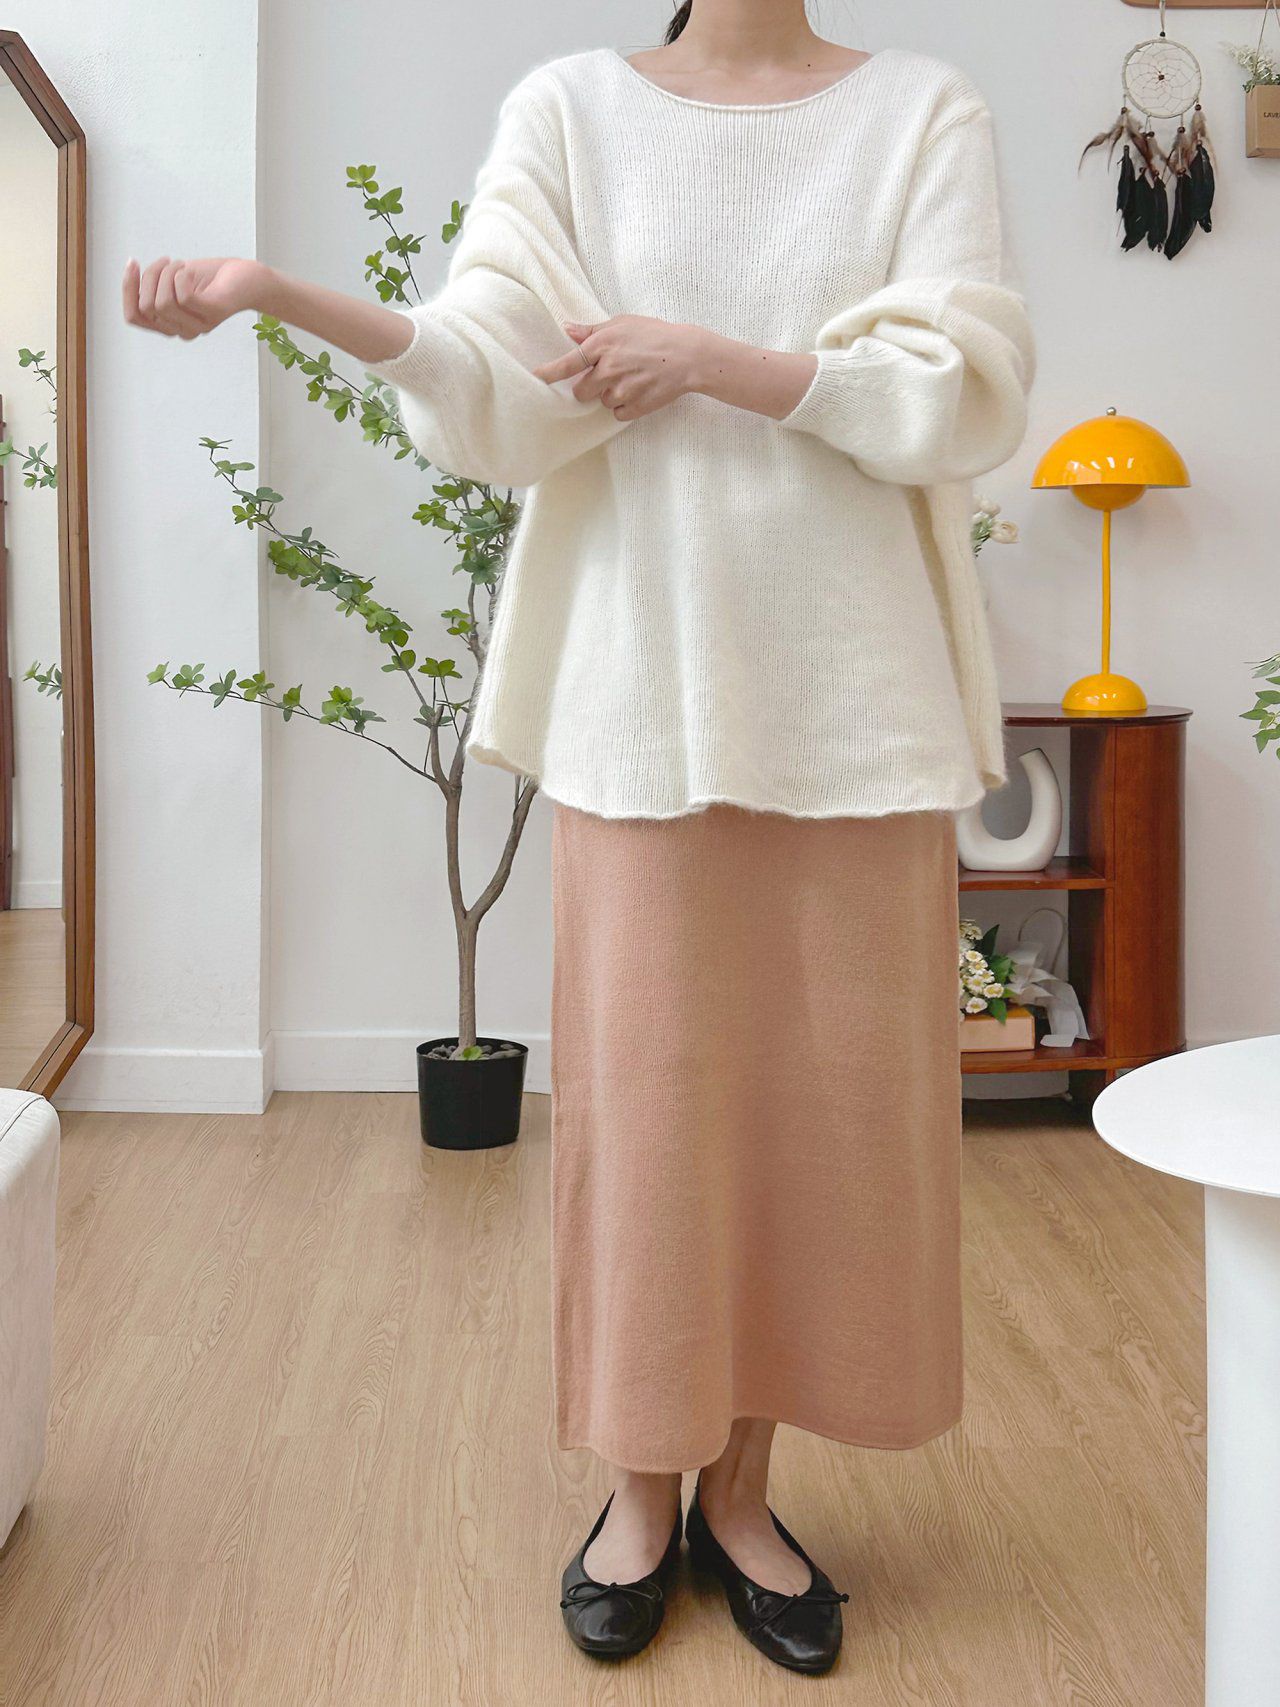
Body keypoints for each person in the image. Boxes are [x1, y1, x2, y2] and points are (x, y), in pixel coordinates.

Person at [123, 0, 1033, 1676]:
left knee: (827, 1127)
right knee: (654, 1116)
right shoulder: (573, 112)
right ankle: (637, 1491)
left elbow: (960, 393)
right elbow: (493, 389)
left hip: (861, 712)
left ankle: (743, 1499)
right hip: (643, 703)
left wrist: (713, 360)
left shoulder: (922, 111)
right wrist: (273, 292)